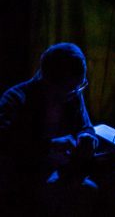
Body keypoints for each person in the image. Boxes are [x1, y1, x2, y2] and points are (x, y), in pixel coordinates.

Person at [0, 43, 99, 214]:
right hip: (25, 179)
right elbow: (6, 145)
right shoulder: (15, 99)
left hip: (63, 173)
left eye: (79, 86)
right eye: (69, 88)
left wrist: (87, 137)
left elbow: (86, 127)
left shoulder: (73, 95)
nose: (75, 92)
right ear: (47, 79)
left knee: (104, 187)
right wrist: (49, 146)